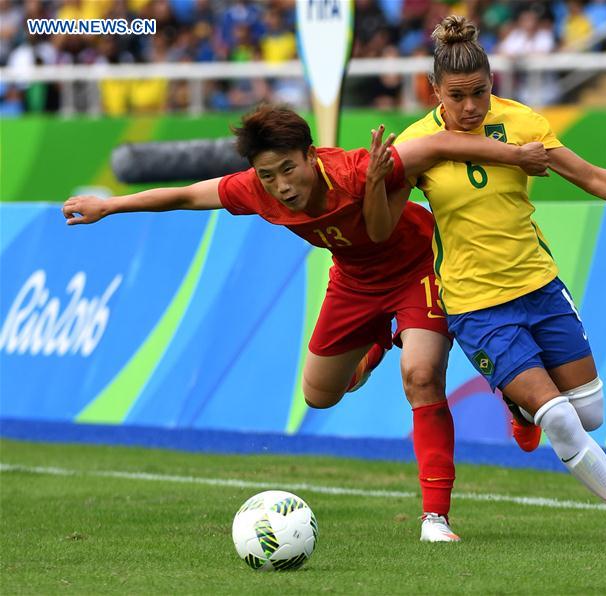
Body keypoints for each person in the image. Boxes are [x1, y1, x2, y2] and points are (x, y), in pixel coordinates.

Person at [61, 104, 550, 543]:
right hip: (354, 282)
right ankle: (379, 342)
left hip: (418, 267)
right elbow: (190, 195)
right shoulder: (256, 189)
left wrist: (516, 157)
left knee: (421, 376)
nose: (281, 186)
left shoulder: (357, 169)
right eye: (268, 175)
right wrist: (110, 205)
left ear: (311, 155)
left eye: (288, 169)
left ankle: (435, 520)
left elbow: (441, 143)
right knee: (320, 394)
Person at [388, 15, 606, 543]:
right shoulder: (418, 142)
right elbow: (383, 223)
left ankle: (518, 403)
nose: (471, 107)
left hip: (539, 286)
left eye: (481, 93)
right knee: (559, 417)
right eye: (458, 96)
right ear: (434, 91)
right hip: (475, 304)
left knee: (589, 413)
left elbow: (590, 176)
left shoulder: (522, 123)